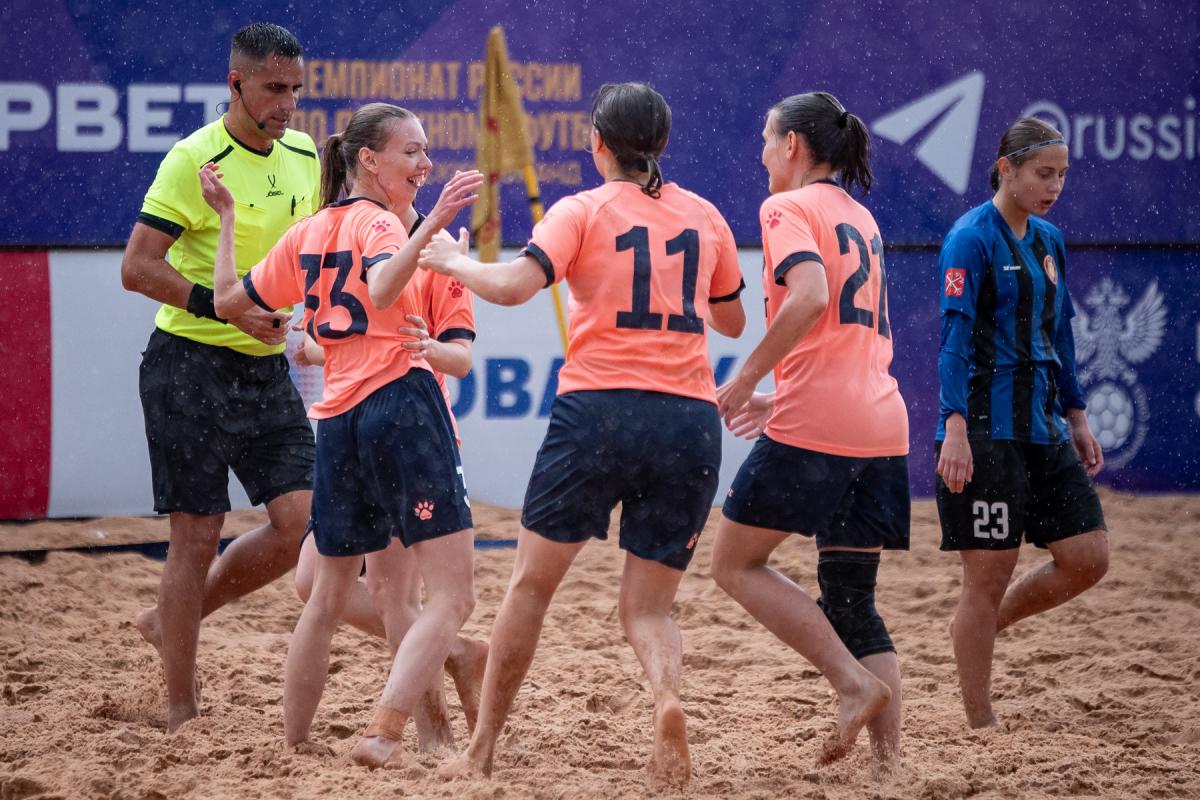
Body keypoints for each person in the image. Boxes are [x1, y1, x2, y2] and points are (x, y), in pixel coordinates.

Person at [419, 82, 746, 787]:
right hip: (688, 420)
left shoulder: (583, 209)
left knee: (531, 588)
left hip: (599, 412)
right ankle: (666, 698)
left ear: (597, 143)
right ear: (663, 143)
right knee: (649, 606)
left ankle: (482, 749)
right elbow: (731, 320)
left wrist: (452, 263)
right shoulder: (706, 215)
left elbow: (513, 287)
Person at [198, 102, 485, 761]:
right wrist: (432, 225)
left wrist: (228, 221)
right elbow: (378, 293)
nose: (425, 164)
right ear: (369, 161)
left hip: (347, 417)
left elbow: (231, 302)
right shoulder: (381, 228)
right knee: (412, 596)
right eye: (412, 152)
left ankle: (321, 743)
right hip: (396, 413)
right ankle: (412, 715)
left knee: (354, 594)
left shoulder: (339, 234)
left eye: (425, 153)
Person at [120, 22, 319, 733]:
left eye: (296, 89)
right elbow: (137, 267)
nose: (288, 103)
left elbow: (312, 252)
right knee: (196, 533)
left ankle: (169, 619)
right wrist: (223, 307)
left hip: (264, 366)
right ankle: (180, 705)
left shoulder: (304, 154)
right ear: (235, 84)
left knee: (303, 523)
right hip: (188, 366)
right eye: (274, 88)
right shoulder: (192, 158)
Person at [711, 91, 907, 766]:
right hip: (881, 422)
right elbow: (847, 333)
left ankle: (852, 684)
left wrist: (746, 378)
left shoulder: (786, 208)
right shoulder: (861, 215)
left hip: (821, 423)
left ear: (792, 145)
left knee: (734, 563)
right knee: (853, 598)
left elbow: (814, 296)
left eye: (768, 139)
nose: (762, 153)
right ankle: (889, 767)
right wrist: (782, 394)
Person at [935, 116, 1108, 729]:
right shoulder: (969, 239)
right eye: (1043, 173)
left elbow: (1060, 336)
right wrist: (954, 426)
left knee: (1088, 557)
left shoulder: (1050, 240)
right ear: (1005, 168)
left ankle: (981, 624)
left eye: (1062, 174)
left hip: (1044, 425)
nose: (1054, 185)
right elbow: (953, 342)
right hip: (985, 429)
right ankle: (981, 723)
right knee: (986, 576)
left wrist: (1077, 415)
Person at [292, 264, 488, 751]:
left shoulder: (432, 260)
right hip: (349, 428)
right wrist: (315, 339)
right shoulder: (348, 242)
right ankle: (451, 649)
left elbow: (460, 359)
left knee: (392, 594)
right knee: (312, 583)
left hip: (408, 431)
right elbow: (316, 346)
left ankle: (432, 734)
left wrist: (422, 347)